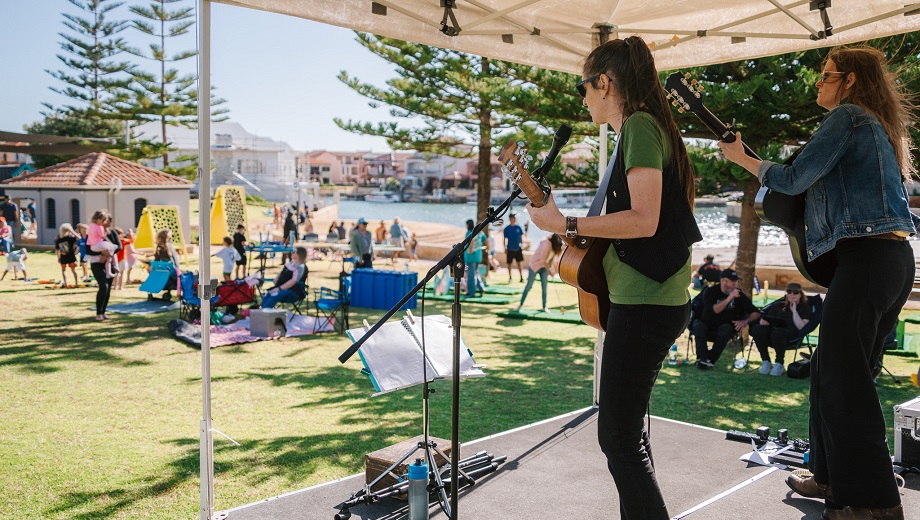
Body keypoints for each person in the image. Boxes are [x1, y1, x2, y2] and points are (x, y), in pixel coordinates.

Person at [718, 46, 916, 520]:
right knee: (833, 372)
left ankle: (875, 502)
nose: (818, 83)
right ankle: (829, 476)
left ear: (849, 80)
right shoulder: (871, 125)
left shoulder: (849, 116)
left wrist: (745, 161)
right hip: (886, 260)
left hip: (869, 260)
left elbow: (793, 178)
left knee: (846, 383)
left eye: (826, 75)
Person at [526, 35, 702, 519]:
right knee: (626, 436)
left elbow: (643, 220)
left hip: (646, 304)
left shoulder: (641, 126)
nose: (582, 98)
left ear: (605, 83)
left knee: (619, 440)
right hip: (641, 300)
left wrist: (564, 224)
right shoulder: (641, 128)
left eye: (585, 87)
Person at [692, 268, 760, 369]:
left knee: (726, 329)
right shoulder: (710, 291)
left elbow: (756, 313)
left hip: (725, 328)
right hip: (707, 324)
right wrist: (729, 298)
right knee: (698, 325)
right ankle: (703, 358)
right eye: (732, 281)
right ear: (724, 281)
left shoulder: (739, 295)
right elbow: (715, 310)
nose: (735, 284)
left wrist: (745, 321)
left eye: (736, 281)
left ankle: (709, 359)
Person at [750, 282, 812, 376]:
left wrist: (794, 311)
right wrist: (764, 321)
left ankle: (779, 364)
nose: (792, 294)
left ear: (800, 294)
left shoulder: (804, 308)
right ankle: (766, 361)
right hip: (772, 332)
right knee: (758, 329)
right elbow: (767, 318)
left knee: (778, 332)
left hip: (790, 336)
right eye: (789, 291)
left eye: (795, 292)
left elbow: (802, 327)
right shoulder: (778, 305)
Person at [516, 233, 563, 312]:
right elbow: (542, 260)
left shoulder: (555, 247)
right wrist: (550, 270)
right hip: (534, 266)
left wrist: (550, 269)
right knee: (529, 286)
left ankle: (544, 307)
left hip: (544, 268)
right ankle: (520, 305)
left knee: (544, 287)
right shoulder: (546, 243)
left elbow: (550, 259)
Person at [87, 210, 118, 279]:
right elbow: (102, 236)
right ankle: (114, 266)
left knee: (110, 253)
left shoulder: (91, 226)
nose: (103, 222)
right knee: (113, 248)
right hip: (99, 244)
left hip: (92, 246)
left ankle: (109, 269)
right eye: (103, 220)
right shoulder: (99, 227)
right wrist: (106, 233)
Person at [463, 219, 486, 297]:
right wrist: (488, 248)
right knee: (475, 273)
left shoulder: (469, 233)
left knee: (471, 275)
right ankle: (481, 287)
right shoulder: (479, 233)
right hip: (477, 257)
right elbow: (486, 239)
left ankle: (471, 292)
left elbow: (471, 240)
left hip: (471, 258)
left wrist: (470, 250)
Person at [55, 223, 79, 287]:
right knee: (73, 270)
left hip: (63, 257)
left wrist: (58, 258)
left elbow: (57, 250)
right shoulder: (70, 238)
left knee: (63, 270)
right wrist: (72, 231)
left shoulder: (59, 240)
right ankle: (76, 283)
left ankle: (65, 283)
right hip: (71, 257)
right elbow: (79, 237)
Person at [503, 213, 525, 282]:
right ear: (510, 219)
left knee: (519, 264)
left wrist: (522, 245)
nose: (514, 219)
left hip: (518, 249)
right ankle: (510, 278)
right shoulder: (507, 228)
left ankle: (521, 278)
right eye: (513, 218)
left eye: (515, 218)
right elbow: (504, 239)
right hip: (510, 249)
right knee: (509, 264)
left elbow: (521, 237)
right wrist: (505, 248)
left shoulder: (518, 227)